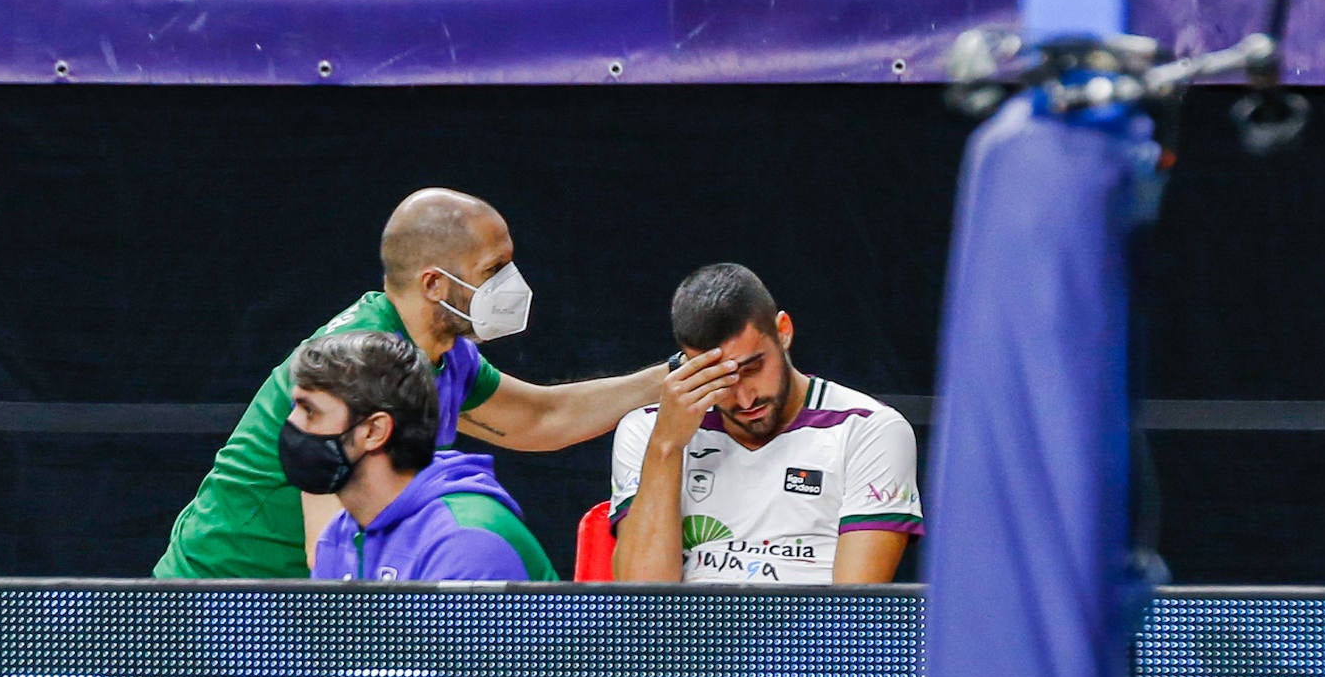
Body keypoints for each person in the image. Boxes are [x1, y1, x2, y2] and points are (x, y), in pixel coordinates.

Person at [154, 186, 666, 578]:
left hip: (295, 605)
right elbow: (331, 551)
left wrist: (675, 377)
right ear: (434, 284)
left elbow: (541, 417)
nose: (511, 284)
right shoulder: (353, 368)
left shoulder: (444, 355)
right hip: (226, 594)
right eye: (494, 269)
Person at [610, 262, 923, 583]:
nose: (745, 399)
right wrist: (667, 447)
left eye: (753, 367)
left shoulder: (869, 429)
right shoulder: (647, 430)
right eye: (721, 379)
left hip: (811, 631)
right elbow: (644, 609)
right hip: (690, 632)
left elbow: (853, 616)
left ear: (783, 331)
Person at [280, 330, 557, 580]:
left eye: (310, 411)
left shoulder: (465, 543)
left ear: (375, 430)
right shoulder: (340, 534)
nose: (292, 425)